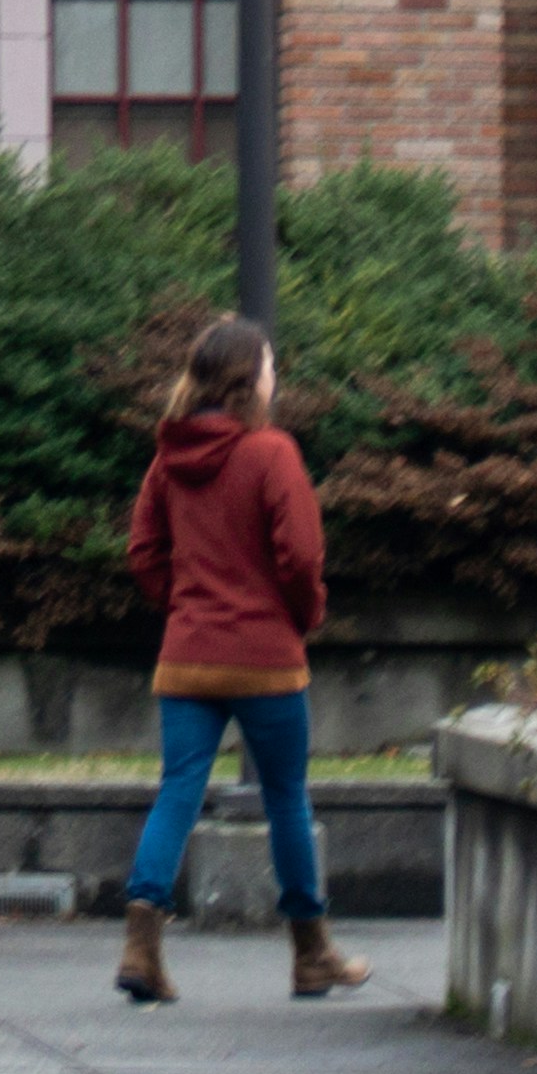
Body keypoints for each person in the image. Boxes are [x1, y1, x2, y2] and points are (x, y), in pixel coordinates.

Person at [116, 310, 363, 1006]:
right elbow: (302, 556)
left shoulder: (169, 458)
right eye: (270, 367)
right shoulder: (272, 453)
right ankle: (311, 954)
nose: (275, 377)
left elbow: (143, 552)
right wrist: (301, 616)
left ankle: (141, 946)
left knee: (178, 790)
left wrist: (185, 606)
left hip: (188, 656)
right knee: (285, 797)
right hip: (265, 658)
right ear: (248, 380)